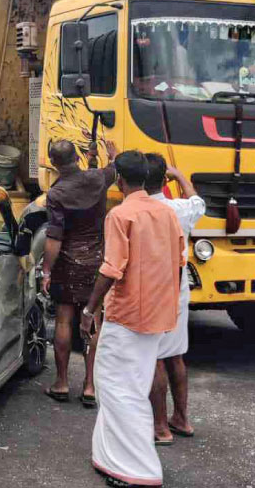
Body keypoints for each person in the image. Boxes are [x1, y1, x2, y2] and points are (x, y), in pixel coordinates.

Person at [80, 151, 185, 487]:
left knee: (116, 387)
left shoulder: (121, 214)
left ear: (119, 180)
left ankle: (137, 468)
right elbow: (178, 260)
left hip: (127, 315)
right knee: (133, 385)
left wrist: (89, 309)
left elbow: (111, 268)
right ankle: (108, 456)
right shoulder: (167, 213)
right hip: (158, 313)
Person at [41, 140, 116, 407]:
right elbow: (114, 170)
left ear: (53, 163)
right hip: (96, 262)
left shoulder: (56, 193)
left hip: (68, 263)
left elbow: (54, 238)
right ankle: (89, 385)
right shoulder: (97, 178)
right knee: (92, 321)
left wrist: (46, 270)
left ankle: (61, 382)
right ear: (77, 157)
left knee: (63, 321)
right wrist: (110, 154)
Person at [144, 154, 206, 445]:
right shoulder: (181, 209)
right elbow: (198, 202)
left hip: (148, 289)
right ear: (164, 179)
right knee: (175, 355)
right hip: (177, 286)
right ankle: (181, 418)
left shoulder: (135, 210)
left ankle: (160, 427)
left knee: (154, 357)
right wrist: (180, 175)